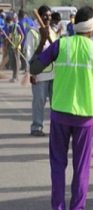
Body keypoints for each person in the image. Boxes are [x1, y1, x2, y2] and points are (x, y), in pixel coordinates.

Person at [29, 6, 93, 210]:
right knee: (81, 167)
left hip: (60, 114)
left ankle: (58, 209)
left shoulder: (60, 45)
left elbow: (34, 68)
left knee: (57, 165)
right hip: (85, 118)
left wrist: (41, 41)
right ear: (92, 28)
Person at [25, 5, 58, 137]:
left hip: (54, 73)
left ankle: (56, 128)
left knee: (56, 103)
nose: (48, 18)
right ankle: (36, 127)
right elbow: (29, 55)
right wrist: (31, 73)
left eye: (50, 16)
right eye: (45, 15)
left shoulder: (53, 32)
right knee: (39, 101)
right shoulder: (32, 33)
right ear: (39, 16)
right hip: (39, 74)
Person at [5, 15, 24, 82]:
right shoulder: (17, 25)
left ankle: (15, 77)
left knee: (14, 62)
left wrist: (6, 42)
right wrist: (19, 44)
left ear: (7, 21)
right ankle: (15, 77)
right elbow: (22, 36)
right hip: (17, 47)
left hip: (14, 47)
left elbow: (9, 37)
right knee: (16, 62)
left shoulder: (11, 26)